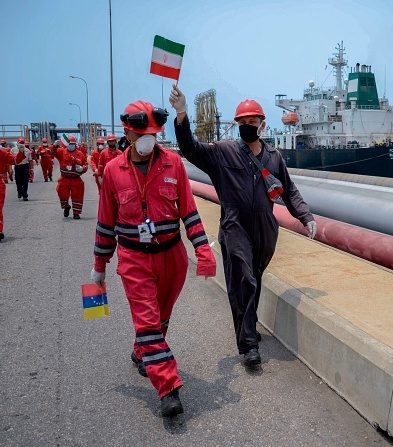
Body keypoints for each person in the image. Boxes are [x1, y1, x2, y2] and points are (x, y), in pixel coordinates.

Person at [170, 85, 317, 367]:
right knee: (244, 280)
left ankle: (248, 325)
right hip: (234, 224)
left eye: (252, 122)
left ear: (262, 125)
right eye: (243, 123)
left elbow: (289, 189)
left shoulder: (273, 156)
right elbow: (190, 148)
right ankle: (248, 344)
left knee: (254, 278)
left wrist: (305, 216)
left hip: (264, 228)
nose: (247, 126)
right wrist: (181, 114)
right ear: (236, 125)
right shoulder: (223, 152)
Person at [90, 99, 217, 417]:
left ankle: (141, 351)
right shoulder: (112, 171)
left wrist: (203, 251)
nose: (148, 139)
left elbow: (189, 211)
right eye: (142, 133)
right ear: (128, 133)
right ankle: (168, 387)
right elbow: (106, 223)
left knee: (160, 318)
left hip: (173, 257)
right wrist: (98, 268)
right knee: (148, 322)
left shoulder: (173, 164)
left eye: (153, 133)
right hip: (134, 260)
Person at [52, 135, 88, 219]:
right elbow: (52, 153)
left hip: (76, 179)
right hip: (64, 178)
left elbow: (85, 164)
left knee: (77, 196)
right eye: (69, 144)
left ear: (75, 144)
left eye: (72, 144)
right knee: (61, 193)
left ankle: (76, 213)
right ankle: (66, 206)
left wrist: (82, 169)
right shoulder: (61, 152)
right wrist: (54, 145)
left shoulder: (80, 154)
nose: (71, 145)